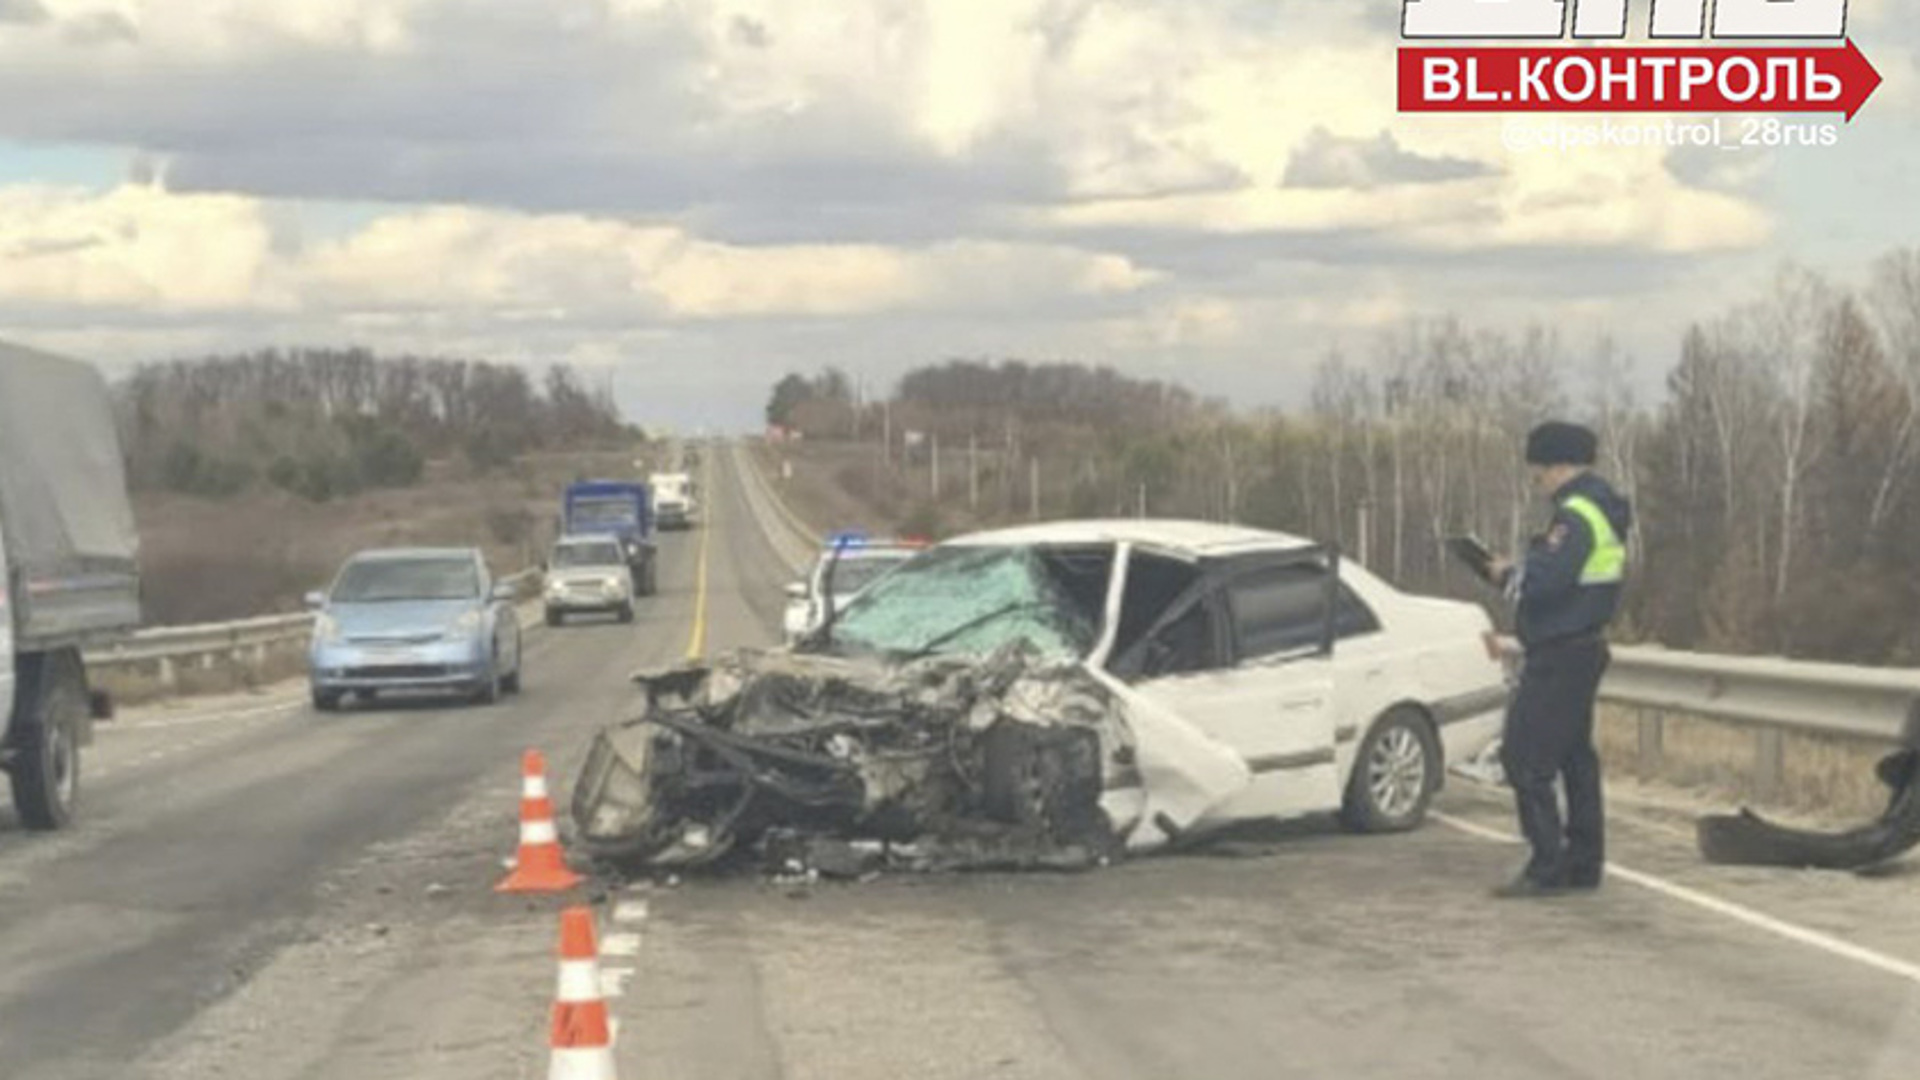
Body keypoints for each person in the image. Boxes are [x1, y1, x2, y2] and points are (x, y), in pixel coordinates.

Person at [1488, 421, 1632, 899]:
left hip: (1560, 651)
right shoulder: (1601, 509)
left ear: (1559, 465)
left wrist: (1509, 574)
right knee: (1575, 759)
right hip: (1583, 646)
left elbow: (1548, 582)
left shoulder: (1575, 515)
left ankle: (1547, 863)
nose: (1537, 481)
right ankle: (1583, 862)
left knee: (1524, 757)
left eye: (1539, 471)